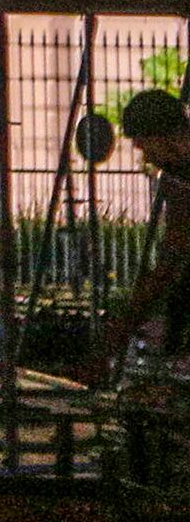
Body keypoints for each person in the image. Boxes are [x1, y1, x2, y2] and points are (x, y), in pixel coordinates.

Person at [90, 88, 190, 377]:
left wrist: (118, 334)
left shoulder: (178, 181)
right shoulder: (176, 178)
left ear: (164, 137)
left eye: (145, 145)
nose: (146, 155)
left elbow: (171, 262)